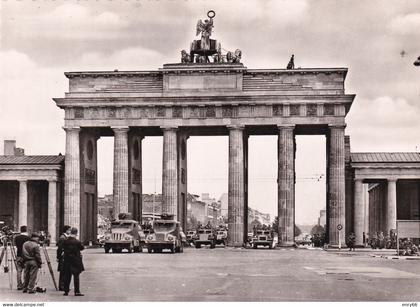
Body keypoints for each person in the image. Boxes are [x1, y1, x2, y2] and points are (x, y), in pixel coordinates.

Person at [62, 227, 85, 296]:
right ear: (76, 233)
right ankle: (77, 291)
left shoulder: (65, 240)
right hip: (75, 260)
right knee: (76, 276)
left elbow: (62, 248)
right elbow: (82, 248)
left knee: (67, 276)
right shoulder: (77, 241)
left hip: (67, 260)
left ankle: (66, 291)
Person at [13, 225, 31, 290]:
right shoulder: (28, 238)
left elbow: (16, 245)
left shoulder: (16, 238)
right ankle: (25, 285)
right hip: (26, 256)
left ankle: (19, 285)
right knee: (26, 271)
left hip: (19, 255)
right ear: (26, 230)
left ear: (20, 230)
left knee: (19, 271)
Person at [57, 225, 71, 291]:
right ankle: (62, 286)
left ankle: (64, 286)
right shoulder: (63, 238)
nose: (70, 231)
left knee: (64, 271)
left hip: (64, 256)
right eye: (69, 230)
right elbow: (59, 248)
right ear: (66, 230)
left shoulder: (65, 237)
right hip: (63, 257)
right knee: (63, 271)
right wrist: (58, 257)